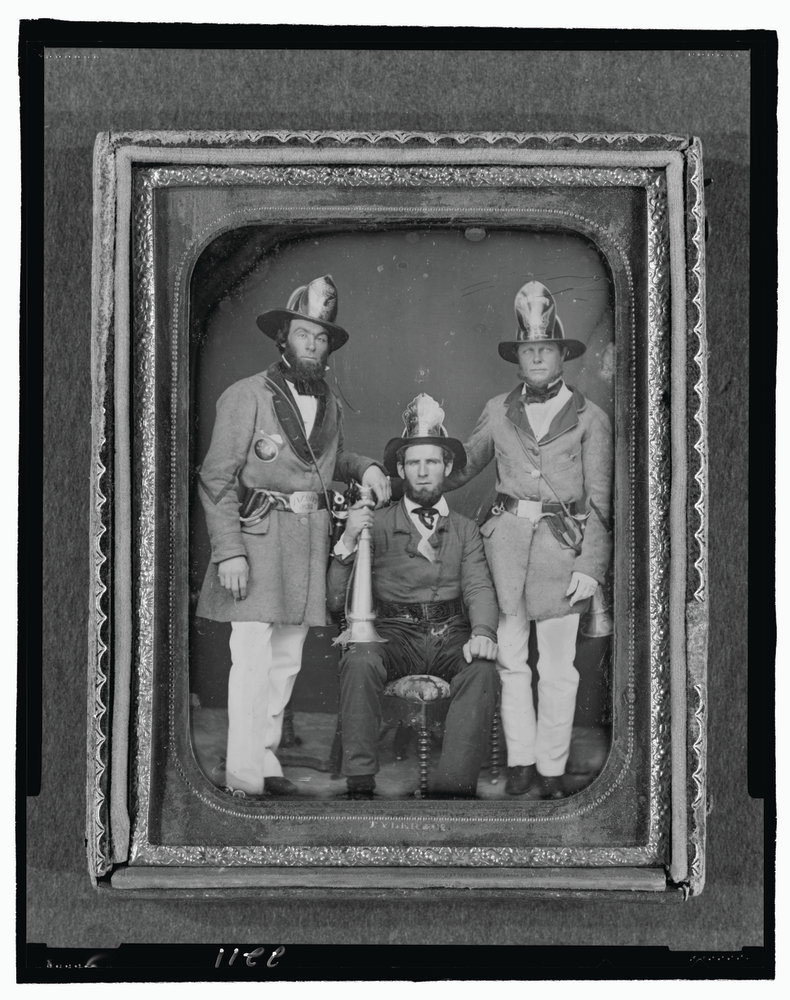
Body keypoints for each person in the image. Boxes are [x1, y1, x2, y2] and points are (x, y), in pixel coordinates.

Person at [196, 275, 391, 798]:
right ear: (283, 337)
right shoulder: (246, 396)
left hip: (306, 546)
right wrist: (229, 551)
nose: (313, 343)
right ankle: (242, 776)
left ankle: (264, 761)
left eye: (322, 336)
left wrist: (367, 467)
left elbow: (329, 461)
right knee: (252, 659)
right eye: (304, 333)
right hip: (256, 544)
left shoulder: (329, 400)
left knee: (285, 661)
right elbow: (216, 478)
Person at [444, 281, 613, 799]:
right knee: (511, 661)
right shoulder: (498, 409)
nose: (537, 357)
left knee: (558, 669)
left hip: (564, 556)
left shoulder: (591, 418)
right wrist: (416, 467)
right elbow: (464, 465)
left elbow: (601, 503)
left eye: (546, 349)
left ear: (562, 355)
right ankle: (520, 762)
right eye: (528, 351)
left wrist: (591, 565)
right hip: (505, 551)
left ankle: (551, 767)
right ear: (518, 358)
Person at [327, 394, 500, 799]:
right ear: (400, 469)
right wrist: (349, 539)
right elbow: (336, 601)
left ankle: (452, 791)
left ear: (448, 467)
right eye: (414, 463)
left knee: (483, 669)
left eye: (433, 462)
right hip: (393, 634)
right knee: (359, 659)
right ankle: (360, 781)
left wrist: (484, 632)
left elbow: (478, 586)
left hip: (450, 635)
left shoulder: (464, 529)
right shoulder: (377, 522)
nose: (423, 472)